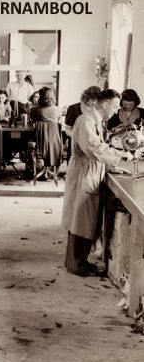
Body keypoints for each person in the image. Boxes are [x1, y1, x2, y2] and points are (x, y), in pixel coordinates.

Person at [62, 89, 133, 277]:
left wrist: (111, 166)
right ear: (105, 104)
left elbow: (98, 149)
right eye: (116, 106)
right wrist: (120, 155)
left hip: (91, 170)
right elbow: (93, 147)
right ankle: (76, 264)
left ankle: (78, 261)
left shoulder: (97, 121)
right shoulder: (85, 120)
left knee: (85, 219)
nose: (117, 111)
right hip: (84, 173)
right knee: (81, 219)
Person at [29, 87, 63, 173]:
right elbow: (59, 120)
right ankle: (52, 171)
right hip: (54, 142)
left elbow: (32, 120)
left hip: (39, 142)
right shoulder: (58, 110)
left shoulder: (34, 110)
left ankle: (32, 169)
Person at [64, 86, 101, 161]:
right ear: (86, 98)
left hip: (92, 145)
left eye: (96, 100)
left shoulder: (98, 110)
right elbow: (67, 129)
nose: (94, 103)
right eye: (92, 100)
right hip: (76, 143)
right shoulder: (73, 108)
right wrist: (78, 137)